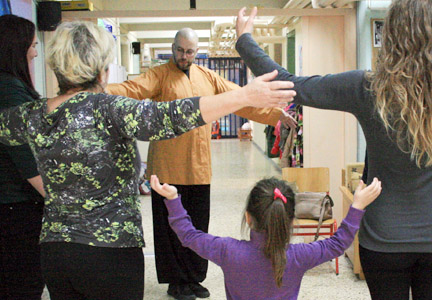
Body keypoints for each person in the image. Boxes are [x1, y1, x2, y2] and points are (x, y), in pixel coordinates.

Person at [0, 20, 294, 300]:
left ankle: (192, 277)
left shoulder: (32, 114)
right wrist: (247, 93)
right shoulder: (113, 109)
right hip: (112, 250)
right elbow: (171, 115)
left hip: (56, 252)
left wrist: (247, 98)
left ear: (55, 65)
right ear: (102, 70)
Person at [235, 2, 432, 299]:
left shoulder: (369, 88)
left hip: (384, 239)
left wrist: (244, 40)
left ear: (391, 35)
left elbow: (292, 84)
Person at [106, 28, 296, 300]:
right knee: (170, 228)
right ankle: (176, 281)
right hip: (168, 167)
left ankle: (194, 278)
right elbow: (132, 89)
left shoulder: (208, 76)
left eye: (190, 51)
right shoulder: (159, 75)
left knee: (197, 226)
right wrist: (96, 90)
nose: (184, 56)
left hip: (199, 167)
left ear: (197, 51)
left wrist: (275, 114)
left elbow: (240, 99)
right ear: (173, 48)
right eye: (180, 50)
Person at [150, 174, 381, 300]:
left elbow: (188, 236)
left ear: (248, 218)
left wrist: (173, 200)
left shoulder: (228, 251)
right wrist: (357, 206)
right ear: (291, 221)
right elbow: (337, 244)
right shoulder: (299, 256)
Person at [0, 14, 46, 300]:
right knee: (22, 285)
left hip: (15, 205)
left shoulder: (11, 87)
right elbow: (26, 158)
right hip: (15, 207)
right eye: (32, 44)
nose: (36, 52)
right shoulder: (9, 91)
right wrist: (64, 201)